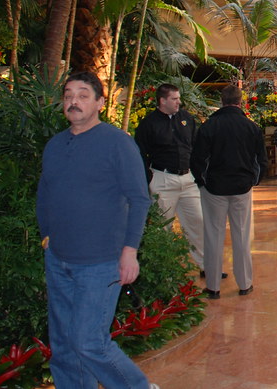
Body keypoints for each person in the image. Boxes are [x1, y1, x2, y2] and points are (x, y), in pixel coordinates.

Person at [36, 71, 158, 389]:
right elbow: (45, 193)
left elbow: (139, 199)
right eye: (68, 95)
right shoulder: (55, 145)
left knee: (89, 342)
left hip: (101, 263)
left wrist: (129, 251)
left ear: (100, 103)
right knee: (64, 344)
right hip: (58, 259)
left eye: (82, 95)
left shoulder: (118, 143)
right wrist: (46, 236)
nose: (73, 101)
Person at [190, 84, 266, 299]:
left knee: (213, 236)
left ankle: (213, 286)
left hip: (214, 189)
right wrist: (252, 181)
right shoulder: (251, 127)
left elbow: (197, 159)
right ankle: (245, 284)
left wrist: (202, 182)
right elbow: (260, 160)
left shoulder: (209, 126)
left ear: (221, 101)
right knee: (241, 235)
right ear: (240, 101)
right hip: (242, 188)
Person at [134, 83, 206, 276]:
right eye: (174, 99)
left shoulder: (186, 119)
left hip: (188, 180)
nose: (178, 102)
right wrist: (148, 179)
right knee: (162, 227)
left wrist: (198, 173)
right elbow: (139, 153)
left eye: (178, 98)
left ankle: (206, 266)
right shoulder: (148, 124)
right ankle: (165, 271)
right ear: (162, 100)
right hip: (162, 180)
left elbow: (196, 146)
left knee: (198, 222)